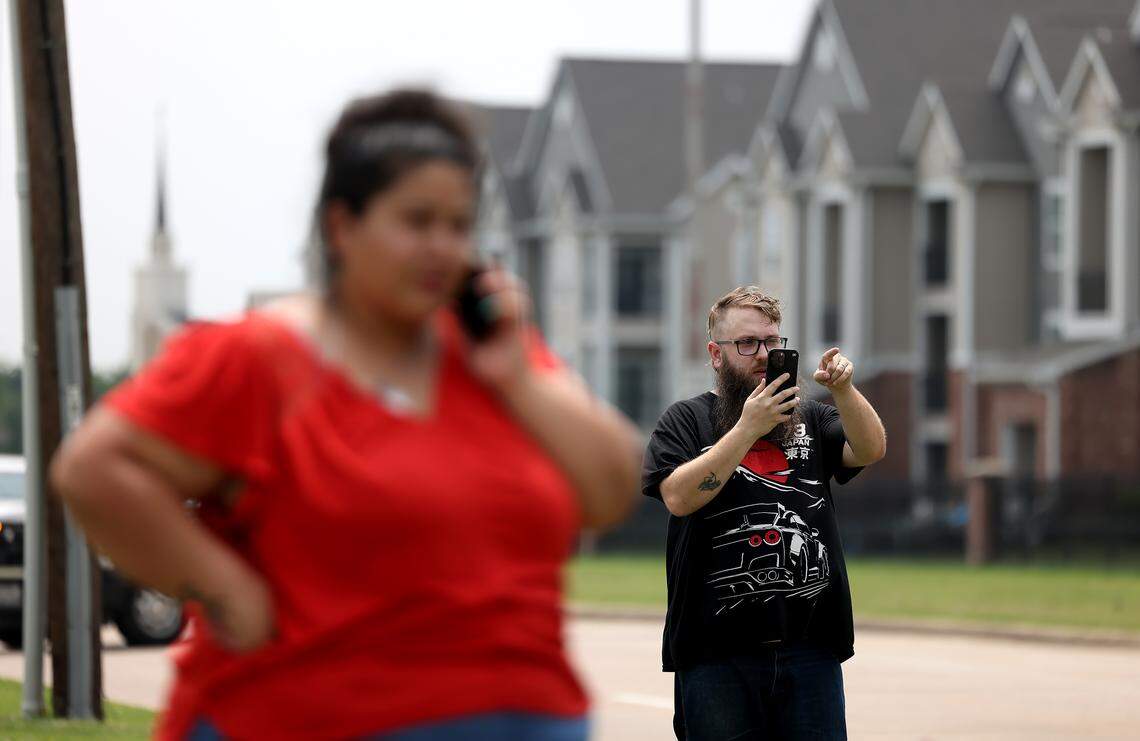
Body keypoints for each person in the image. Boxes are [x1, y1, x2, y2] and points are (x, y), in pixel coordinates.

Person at [51, 89, 642, 740]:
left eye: (459, 225)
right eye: (417, 221)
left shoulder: (491, 350)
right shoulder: (261, 355)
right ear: (342, 226)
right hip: (309, 714)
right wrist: (221, 586)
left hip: (531, 710)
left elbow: (611, 489)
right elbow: (93, 469)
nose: (443, 247)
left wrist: (520, 379)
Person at [642, 286, 886, 740]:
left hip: (810, 650)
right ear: (717, 355)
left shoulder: (809, 418)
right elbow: (678, 497)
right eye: (748, 344)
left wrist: (845, 390)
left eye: (773, 342)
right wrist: (747, 428)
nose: (764, 355)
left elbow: (870, 448)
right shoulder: (685, 421)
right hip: (716, 655)